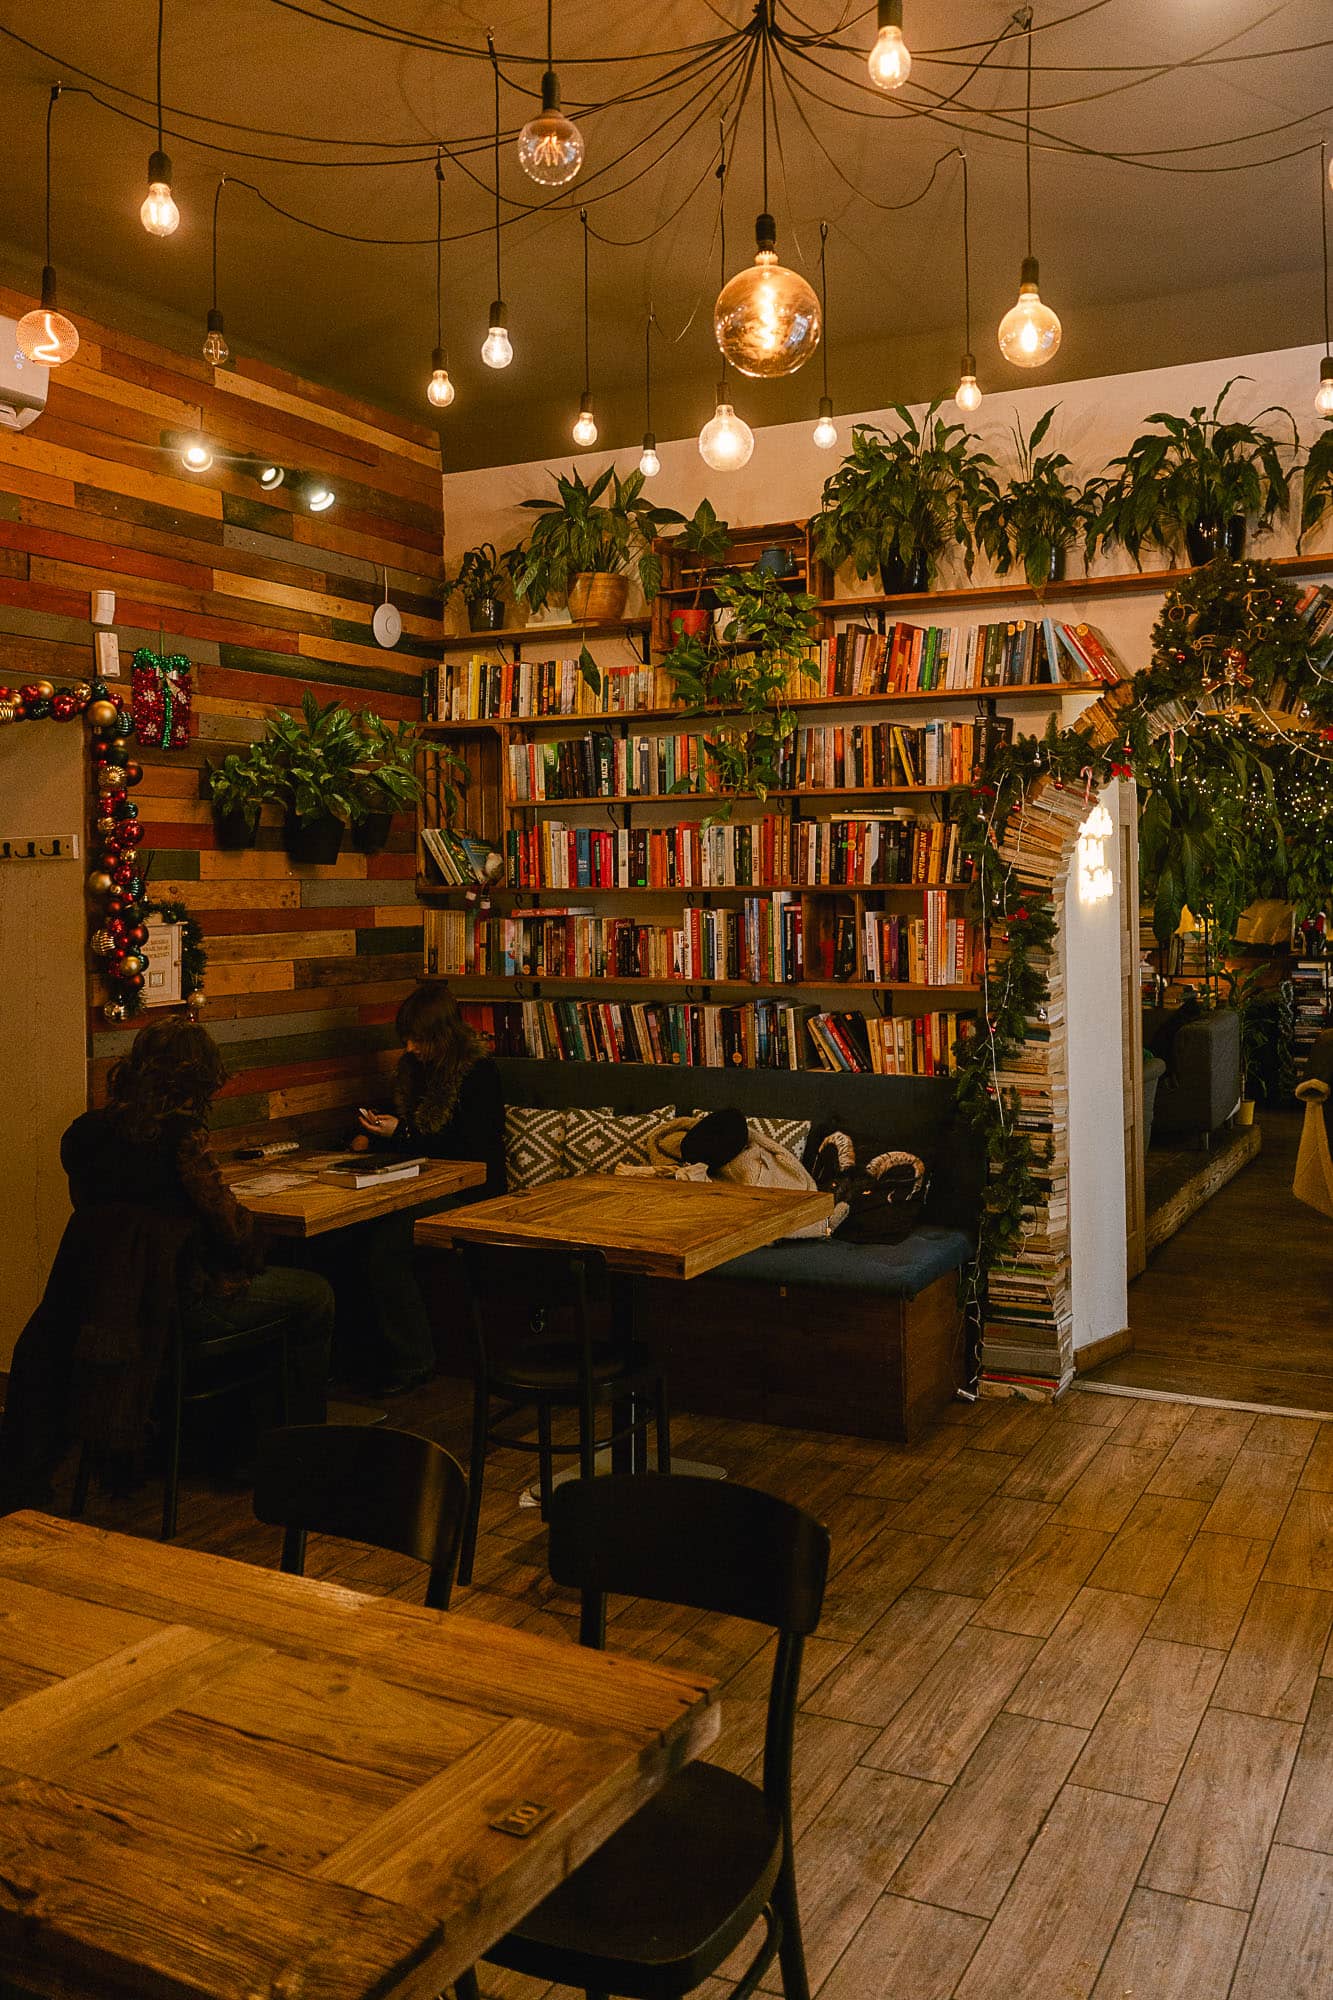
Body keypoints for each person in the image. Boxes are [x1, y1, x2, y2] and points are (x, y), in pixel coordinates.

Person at [0, 1016, 333, 1512]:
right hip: (176, 1307)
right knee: (313, 1294)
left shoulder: (87, 1133)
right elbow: (232, 1233)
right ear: (198, 1079)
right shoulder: (183, 1139)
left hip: (102, 1307)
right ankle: (296, 1455)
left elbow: (95, 1214)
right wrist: (251, 1235)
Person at [336, 980, 505, 1395]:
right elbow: (411, 1134)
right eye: (406, 1039)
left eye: (418, 1039)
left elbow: (470, 1151)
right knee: (347, 1234)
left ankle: (413, 1362)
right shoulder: (413, 1070)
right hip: (421, 1186)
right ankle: (357, 1358)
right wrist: (373, 1135)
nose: (410, 1048)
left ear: (442, 1035)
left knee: (387, 1244)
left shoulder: (478, 1073)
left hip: (473, 1193)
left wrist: (402, 1133)